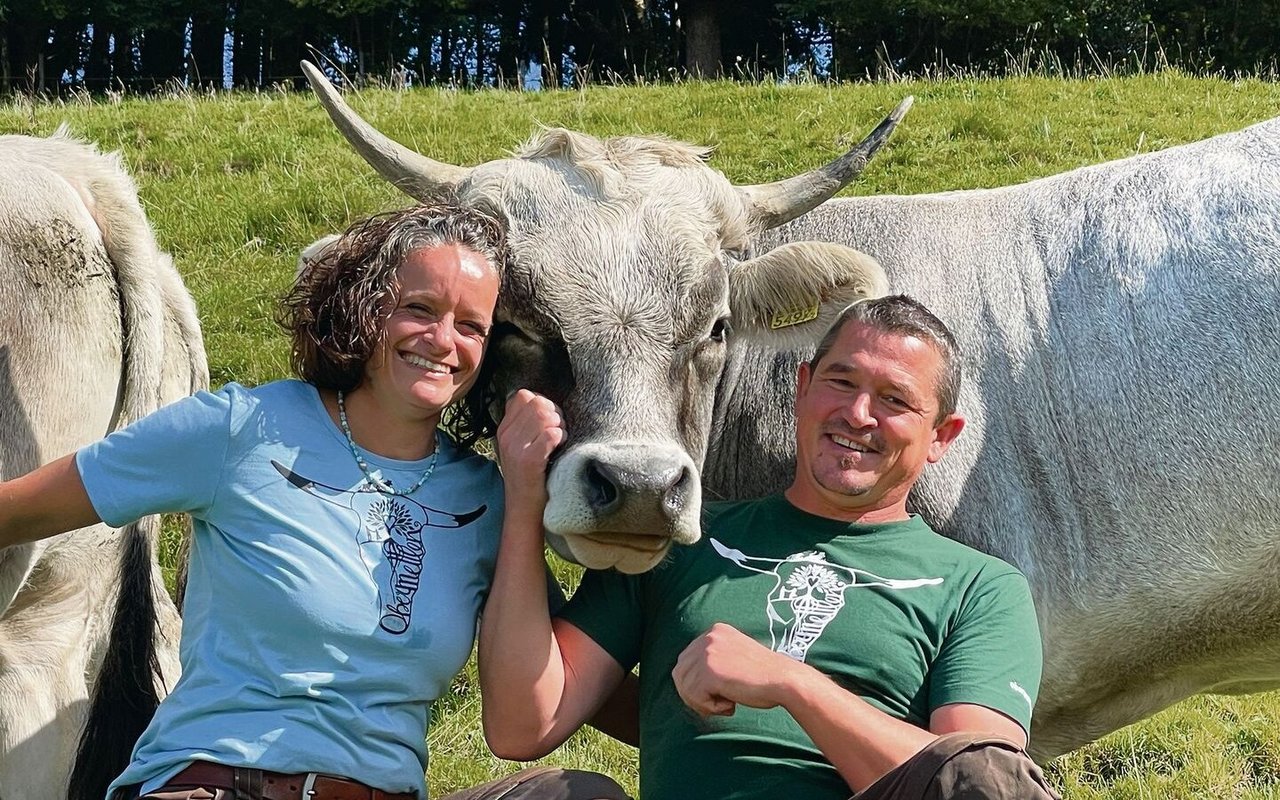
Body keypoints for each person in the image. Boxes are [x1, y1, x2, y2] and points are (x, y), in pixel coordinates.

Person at [0, 203, 627, 800]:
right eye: (419, 309)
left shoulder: (485, 499)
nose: (442, 340)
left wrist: (522, 494)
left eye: (471, 327)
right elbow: (21, 509)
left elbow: (541, 705)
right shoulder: (244, 429)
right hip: (218, 783)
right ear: (363, 308)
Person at [480, 294, 1061, 799]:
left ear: (941, 437)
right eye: (842, 381)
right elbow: (520, 725)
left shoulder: (978, 586)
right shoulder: (685, 536)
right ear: (803, 389)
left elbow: (977, 784)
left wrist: (792, 685)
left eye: (895, 401)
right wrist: (524, 496)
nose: (858, 414)